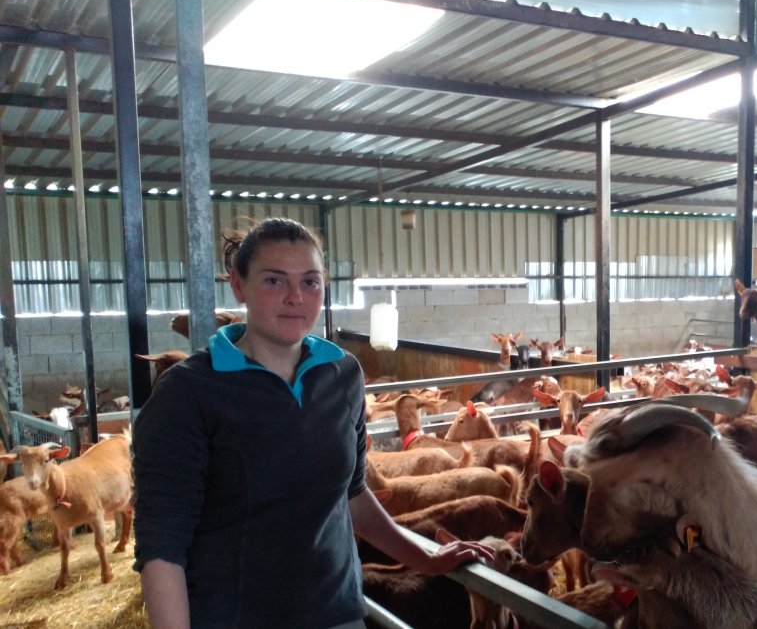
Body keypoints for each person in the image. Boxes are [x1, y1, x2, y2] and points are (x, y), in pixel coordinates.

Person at [133, 217, 493, 629]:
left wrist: (425, 557)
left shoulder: (342, 375)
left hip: (336, 613)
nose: (295, 297)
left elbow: (352, 494)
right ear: (238, 285)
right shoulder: (188, 391)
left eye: (310, 282)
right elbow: (163, 541)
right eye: (273, 281)